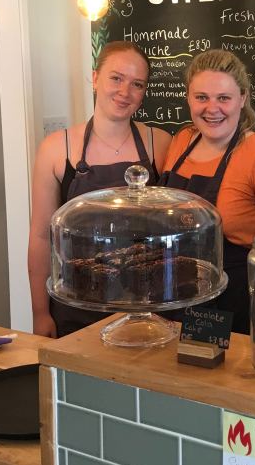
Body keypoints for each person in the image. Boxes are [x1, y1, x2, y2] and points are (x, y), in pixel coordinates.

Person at [28, 41, 171, 337]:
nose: (124, 92)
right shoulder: (57, 148)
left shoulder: (161, 143)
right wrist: (40, 313)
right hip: (77, 304)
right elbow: (42, 236)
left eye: (137, 84)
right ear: (95, 78)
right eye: (116, 78)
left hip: (147, 305)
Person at [160, 49, 255, 333]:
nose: (212, 109)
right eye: (202, 97)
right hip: (176, 300)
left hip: (236, 307)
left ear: (242, 99)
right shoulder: (180, 142)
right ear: (188, 97)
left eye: (223, 98)